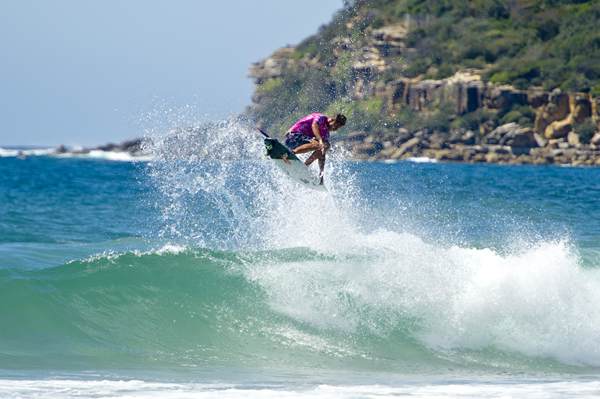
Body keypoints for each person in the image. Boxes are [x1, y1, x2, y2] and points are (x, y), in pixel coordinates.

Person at [284, 113, 346, 184]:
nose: (335, 129)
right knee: (319, 144)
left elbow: (321, 154)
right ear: (331, 120)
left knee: (326, 145)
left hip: (300, 142)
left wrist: (321, 174)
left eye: (337, 128)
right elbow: (314, 125)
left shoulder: (326, 134)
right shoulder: (320, 118)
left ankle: (305, 165)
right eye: (335, 126)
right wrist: (319, 140)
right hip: (291, 137)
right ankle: (292, 153)